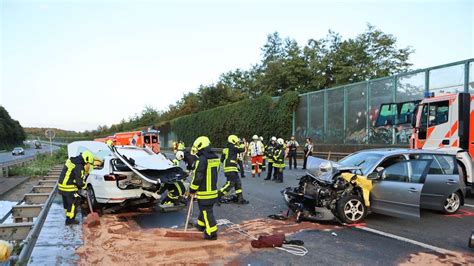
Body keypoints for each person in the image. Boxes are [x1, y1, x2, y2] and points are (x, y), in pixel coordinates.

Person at [189, 136, 220, 240]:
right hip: (213, 190)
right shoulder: (215, 158)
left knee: (206, 211)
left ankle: (212, 233)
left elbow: (198, 177)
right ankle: (201, 225)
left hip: (204, 192)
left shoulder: (201, 160)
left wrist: (192, 189)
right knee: (205, 210)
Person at [58, 150, 94, 225]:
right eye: (87, 163)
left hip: (62, 186)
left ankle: (68, 216)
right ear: (86, 159)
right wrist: (85, 187)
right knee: (75, 202)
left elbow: (72, 175)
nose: (87, 164)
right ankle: (70, 221)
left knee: (67, 204)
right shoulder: (79, 166)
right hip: (69, 187)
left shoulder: (72, 160)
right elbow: (79, 182)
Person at [219, 135, 249, 204]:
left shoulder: (226, 149)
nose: (237, 142)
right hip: (230, 168)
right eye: (237, 141)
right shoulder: (233, 147)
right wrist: (242, 143)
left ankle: (240, 198)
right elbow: (242, 149)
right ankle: (218, 195)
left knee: (238, 183)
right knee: (230, 184)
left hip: (232, 168)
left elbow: (222, 159)